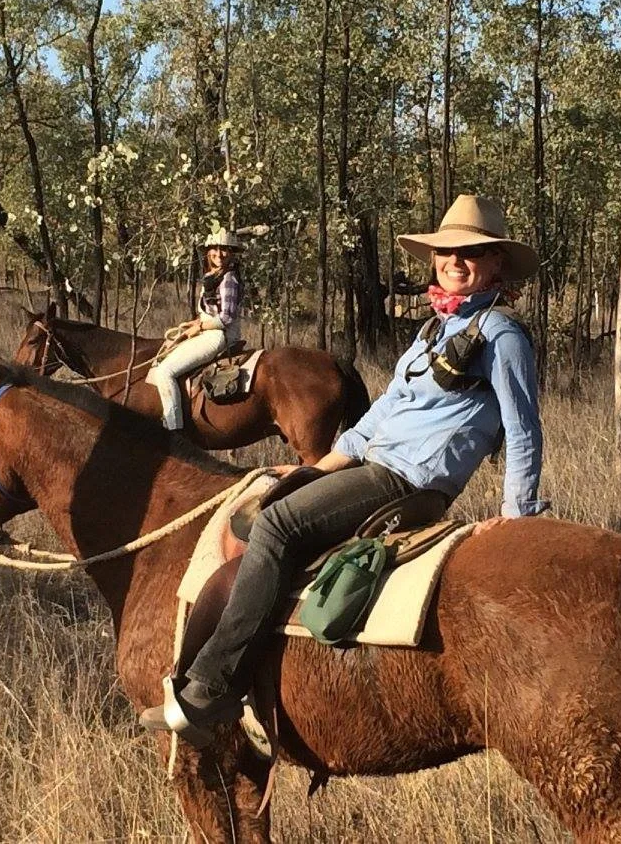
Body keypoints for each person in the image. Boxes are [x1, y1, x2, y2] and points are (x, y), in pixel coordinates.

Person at [141, 194, 546, 739]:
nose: (455, 261)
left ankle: (211, 691)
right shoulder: (431, 333)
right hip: (371, 467)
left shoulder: (502, 336)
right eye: (447, 251)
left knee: (278, 527)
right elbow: (374, 420)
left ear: (496, 263)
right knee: (261, 502)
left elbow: (523, 429)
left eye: (471, 252)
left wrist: (516, 516)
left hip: (406, 482)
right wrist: (310, 470)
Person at [148, 229, 245, 430]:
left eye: (225, 249)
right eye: (215, 249)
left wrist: (199, 327)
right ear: (208, 251)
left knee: (165, 371)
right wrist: (193, 324)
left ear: (232, 253)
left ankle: (175, 431)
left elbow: (226, 317)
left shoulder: (228, 279)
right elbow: (210, 311)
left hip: (219, 335)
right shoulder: (213, 276)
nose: (219, 254)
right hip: (208, 330)